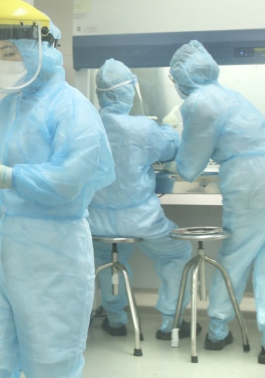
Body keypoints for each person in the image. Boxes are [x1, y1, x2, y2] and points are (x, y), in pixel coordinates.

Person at [0, 0, 115, 378]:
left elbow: (68, 181)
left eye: (10, 53)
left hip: (51, 259)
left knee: (50, 363)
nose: (3, 63)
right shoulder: (3, 111)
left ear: (41, 50)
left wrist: (5, 176)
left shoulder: (73, 110)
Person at [87, 58, 197, 340]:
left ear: (99, 92)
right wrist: (166, 129)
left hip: (95, 222)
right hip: (141, 220)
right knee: (176, 253)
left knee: (109, 259)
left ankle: (115, 320)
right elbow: (170, 147)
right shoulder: (141, 128)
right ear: (129, 91)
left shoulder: (86, 125)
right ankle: (172, 322)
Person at [169, 40, 265, 363]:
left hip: (249, 183)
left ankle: (218, 331)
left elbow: (190, 166)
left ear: (182, 75)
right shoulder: (232, 96)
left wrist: (170, 159)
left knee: (235, 256)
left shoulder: (200, 101)